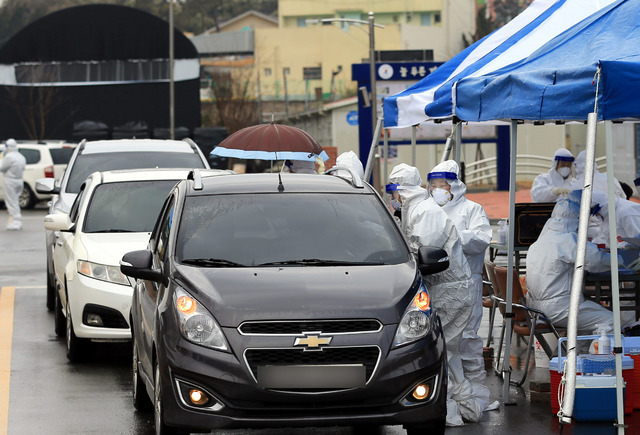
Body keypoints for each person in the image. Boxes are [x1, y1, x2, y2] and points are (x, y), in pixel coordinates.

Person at [388, 163, 490, 427]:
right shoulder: (419, 210)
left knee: (446, 350)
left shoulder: (426, 212)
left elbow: (422, 250)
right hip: (446, 288)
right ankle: (463, 408)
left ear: (403, 190)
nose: (393, 198)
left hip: (452, 289)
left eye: (394, 191)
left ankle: (455, 409)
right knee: (449, 351)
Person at [427, 160, 492, 397]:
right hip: (438, 282)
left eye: (441, 184)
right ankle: (450, 392)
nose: (436, 189)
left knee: (467, 338)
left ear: (453, 185)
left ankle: (477, 393)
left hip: (467, 283)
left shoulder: (472, 209)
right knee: (443, 340)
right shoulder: (430, 210)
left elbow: (481, 239)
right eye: (433, 184)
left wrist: (452, 238)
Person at [526, 190, 622, 333]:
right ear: (578, 217)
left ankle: (577, 353)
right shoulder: (567, 240)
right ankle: (596, 355)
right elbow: (597, 261)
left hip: (535, 307)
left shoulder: (541, 241)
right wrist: (623, 259)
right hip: (560, 308)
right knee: (610, 322)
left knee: (588, 319)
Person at [0, 139, 26, 230]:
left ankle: (16, 221)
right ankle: (16, 220)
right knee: (15, 201)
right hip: (19, 180)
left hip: (10, 181)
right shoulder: (21, 156)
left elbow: (2, 168)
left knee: (11, 201)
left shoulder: (9, 157)